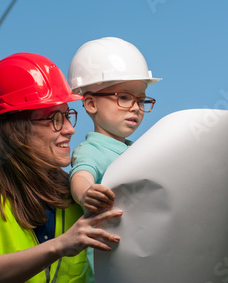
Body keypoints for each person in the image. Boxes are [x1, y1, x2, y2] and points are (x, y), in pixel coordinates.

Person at [0, 52, 123, 283]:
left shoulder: (80, 195)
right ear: (16, 129)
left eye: (67, 116)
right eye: (54, 119)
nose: (70, 129)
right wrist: (60, 245)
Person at [67, 37, 162, 277]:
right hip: (109, 269)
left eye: (141, 99)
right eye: (124, 97)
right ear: (90, 103)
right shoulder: (93, 149)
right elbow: (81, 174)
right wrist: (87, 193)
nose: (136, 107)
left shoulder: (138, 151)